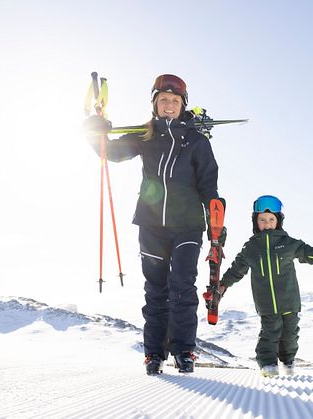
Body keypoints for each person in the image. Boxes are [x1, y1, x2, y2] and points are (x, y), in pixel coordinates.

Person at [84, 74, 224, 375]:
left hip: (188, 225)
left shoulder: (197, 141)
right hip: (151, 223)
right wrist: (95, 132)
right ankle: (154, 354)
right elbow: (113, 153)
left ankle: (185, 351)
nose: (169, 105)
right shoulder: (144, 136)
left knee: (182, 287)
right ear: (155, 105)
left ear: (183, 105)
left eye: (175, 101)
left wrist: (216, 222)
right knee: (156, 290)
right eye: (163, 100)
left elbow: (209, 186)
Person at [219, 195, 313, 377]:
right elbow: (236, 270)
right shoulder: (251, 248)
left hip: (289, 300)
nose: (267, 223)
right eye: (262, 220)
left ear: (278, 221)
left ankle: (288, 362)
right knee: (269, 333)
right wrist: (223, 285)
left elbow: (310, 253)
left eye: (271, 219)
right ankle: (268, 366)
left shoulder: (288, 244)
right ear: (255, 222)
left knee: (290, 335)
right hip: (266, 303)